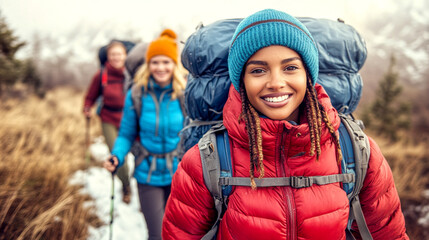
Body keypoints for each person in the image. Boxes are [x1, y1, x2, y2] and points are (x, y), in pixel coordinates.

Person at [162, 9, 408, 240]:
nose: (276, 82)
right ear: (241, 81)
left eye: (290, 67)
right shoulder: (207, 160)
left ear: (308, 75)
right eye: (258, 70)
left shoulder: (357, 152)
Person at [104, 29, 187, 240]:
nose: (161, 67)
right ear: (148, 64)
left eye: (166, 62)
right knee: (157, 234)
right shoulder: (137, 94)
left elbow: (193, 132)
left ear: (174, 65)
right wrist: (117, 156)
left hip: (179, 173)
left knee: (177, 232)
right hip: (147, 172)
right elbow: (126, 134)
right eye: (155, 62)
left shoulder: (184, 93)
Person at [83, 40, 132, 203]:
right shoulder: (102, 74)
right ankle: (126, 185)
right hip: (108, 119)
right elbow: (91, 95)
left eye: (119, 54)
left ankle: (145, 187)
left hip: (130, 119)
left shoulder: (131, 73)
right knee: (117, 155)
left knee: (139, 154)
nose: (116, 57)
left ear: (125, 55)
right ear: (108, 57)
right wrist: (87, 107)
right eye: (113, 54)